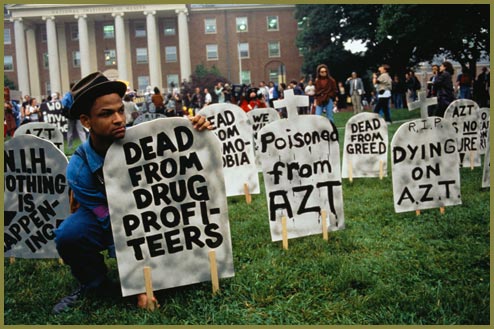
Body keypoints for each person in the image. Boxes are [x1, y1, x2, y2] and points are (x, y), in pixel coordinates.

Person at [52, 71, 212, 314]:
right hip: (108, 219)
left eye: (120, 110)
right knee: (70, 234)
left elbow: (186, 157)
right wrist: (138, 284)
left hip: (158, 214)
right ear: (86, 121)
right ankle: (94, 283)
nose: (118, 119)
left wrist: (197, 129)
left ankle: (177, 267)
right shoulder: (79, 169)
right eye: (106, 114)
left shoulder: (146, 138)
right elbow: (115, 224)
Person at [62, 83, 88, 149]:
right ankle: (82, 145)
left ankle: (70, 147)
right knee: (79, 131)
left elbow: (64, 103)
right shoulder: (73, 94)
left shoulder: (68, 94)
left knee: (73, 131)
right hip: (74, 114)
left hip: (73, 114)